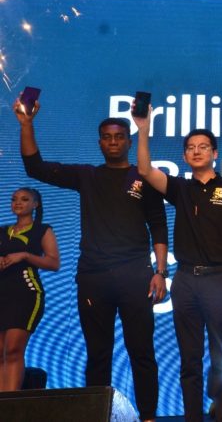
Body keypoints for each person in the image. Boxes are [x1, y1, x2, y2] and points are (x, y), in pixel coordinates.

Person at [14, 99, 168, 422]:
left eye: (119, 137)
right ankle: (98, 417)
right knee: (98, 354)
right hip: (94, 277)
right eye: (107, 137)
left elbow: (158, 224)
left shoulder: (144, 177)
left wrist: (160, 271)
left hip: (136, 276)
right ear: (99, 143)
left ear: (128, 142)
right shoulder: (87, 176)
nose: (113, 142)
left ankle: (149, 417)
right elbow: (35, 167)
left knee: (142, 352)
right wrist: (27, 124)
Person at [133, 106, 222, 422]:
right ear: (185, 156)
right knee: (190, 358)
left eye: (203, 146)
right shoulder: (180, 188)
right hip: (186, 280)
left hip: (219, 279)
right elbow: (145, 169)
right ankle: (192, 417)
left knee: (221, 356)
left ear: (215, 153)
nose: (197, 151)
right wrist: (143, 128)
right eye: (190, 147)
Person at [0, 188, 60, 391]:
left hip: (26, 294)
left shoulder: (42, 230)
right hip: (2, 293)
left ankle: (9, 402)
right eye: (14, 199)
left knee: (13, 350)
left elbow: (53, 263)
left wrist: (24, 256)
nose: (18, 202)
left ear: (35, 204)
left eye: (24, 199)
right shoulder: (2, 231)